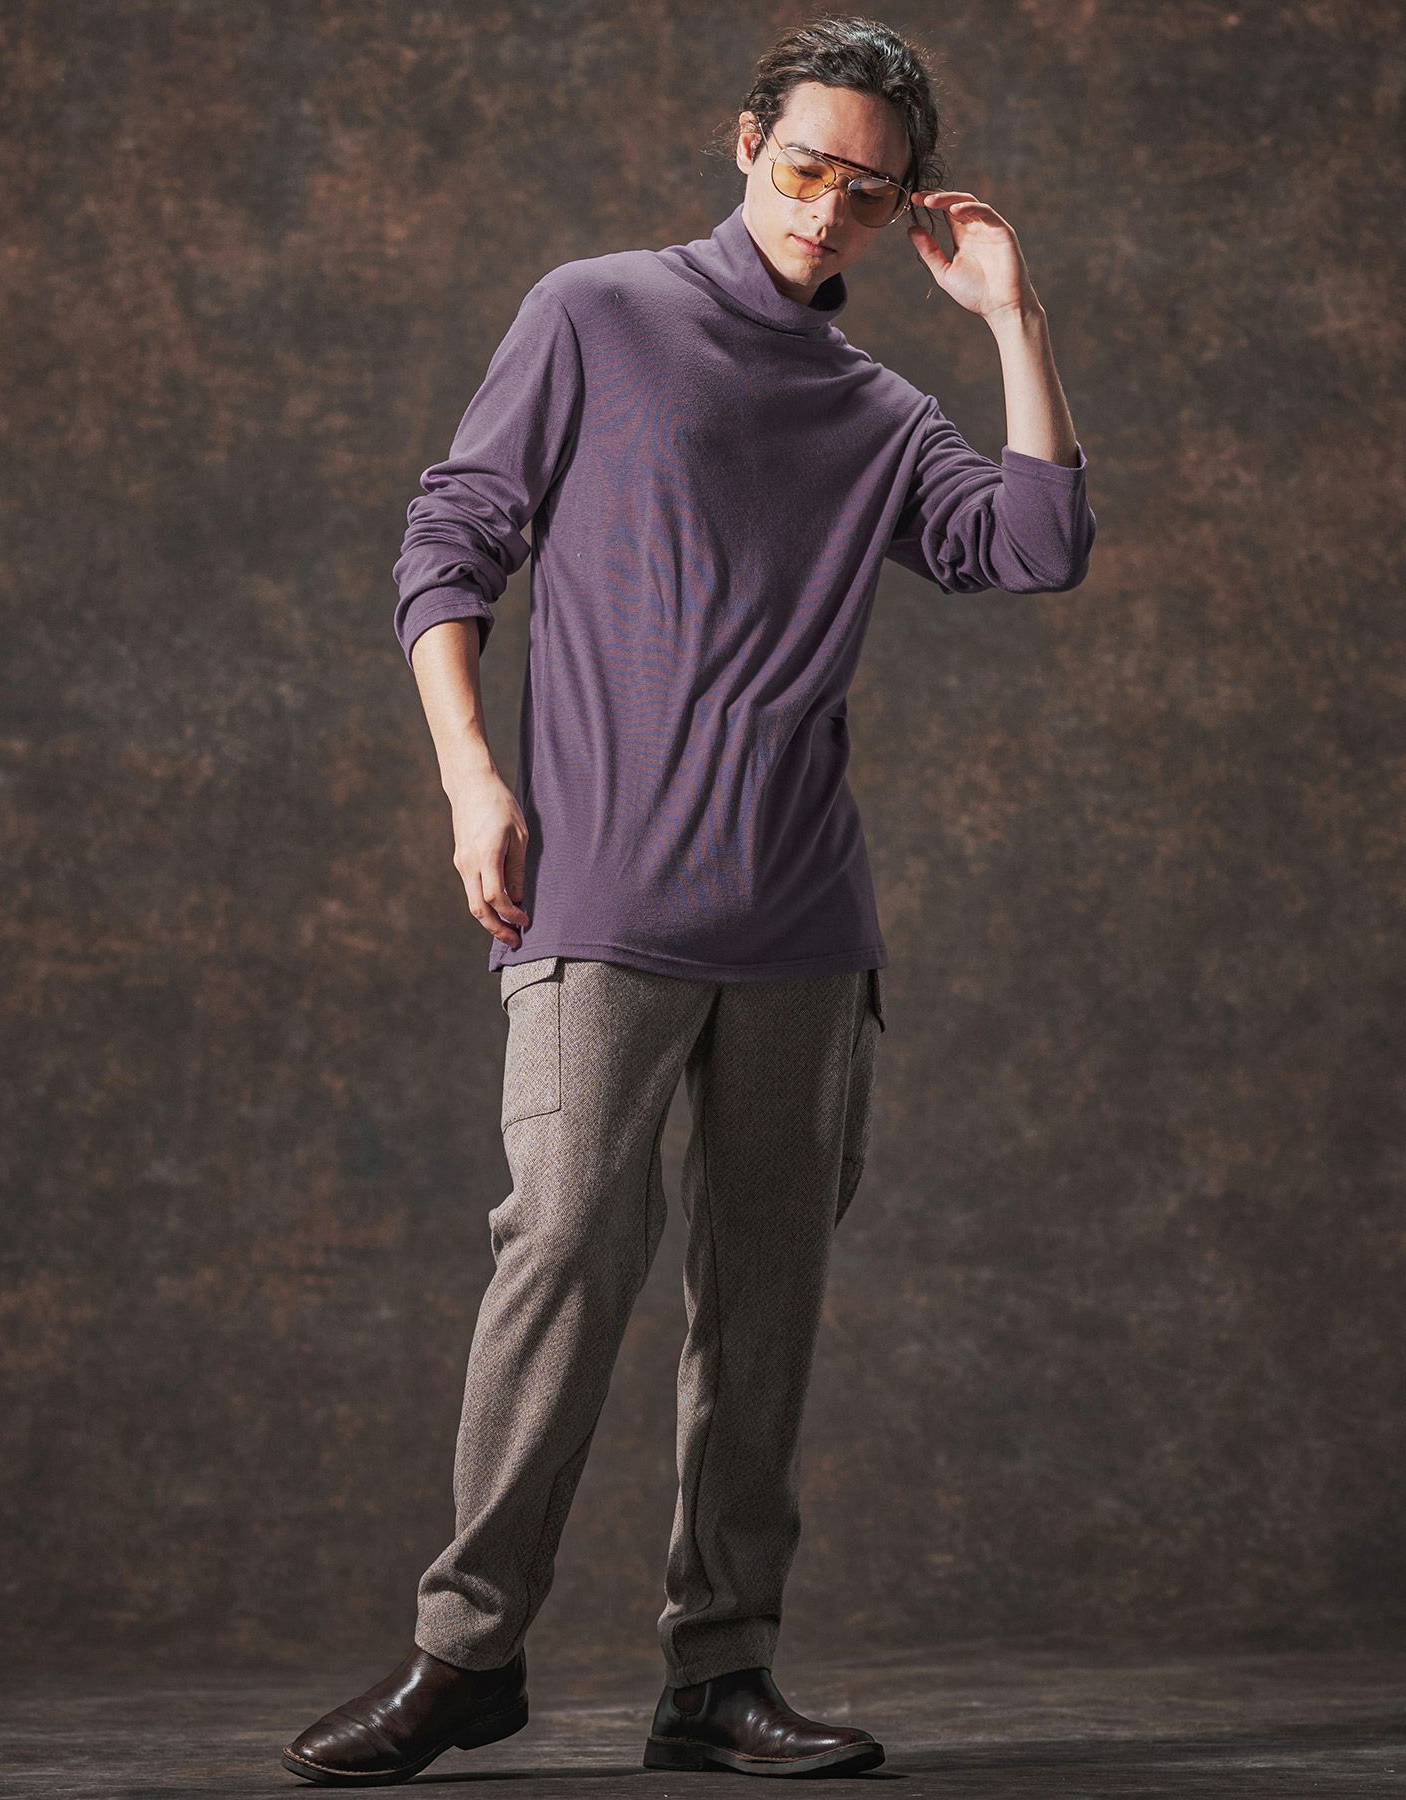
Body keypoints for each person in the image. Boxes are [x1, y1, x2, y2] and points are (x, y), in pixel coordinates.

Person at [281, 13, 1095, 1787]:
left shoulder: (878, 413)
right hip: (599, 899)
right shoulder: (594, 314)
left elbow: (1035, 548)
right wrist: (470, 776)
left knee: (762, 1303)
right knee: (564, 1250)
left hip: (803, 925)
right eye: (806, 167)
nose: (827, 209)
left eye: (869, 194)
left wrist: (1013, 319)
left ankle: (718, 1675)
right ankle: (465, 1656)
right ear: (745, 145)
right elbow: (451, 539)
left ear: (903, 214)